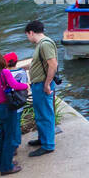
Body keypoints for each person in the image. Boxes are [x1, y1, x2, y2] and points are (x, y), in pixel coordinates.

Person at [0, 52, 29, 176]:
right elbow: (14, 85)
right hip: (8, 107)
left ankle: (1, 164)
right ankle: (7, 167)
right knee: (9, 137)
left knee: (2, 136)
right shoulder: (4, 73)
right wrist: (26, 85)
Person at [24, 20, 58, 157]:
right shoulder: (41, 45)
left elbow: (53, 65)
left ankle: (48, 145)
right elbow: (41, 62)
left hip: (43, 84)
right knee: (40, 114)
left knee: (45, 114)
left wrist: (47, 84)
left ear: (31, 32)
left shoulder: (45, 44)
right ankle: (42, 139)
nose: (28, 38)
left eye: (27, 35)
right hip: (38, 84)